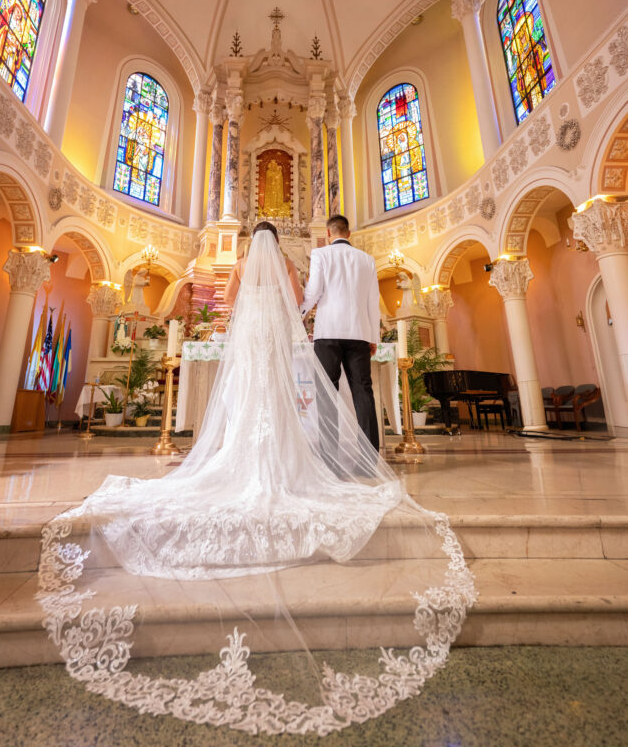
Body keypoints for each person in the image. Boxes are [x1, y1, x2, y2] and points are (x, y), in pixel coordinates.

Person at [35, 225, 475, 736]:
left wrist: (273, 304)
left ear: (250, 243)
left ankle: (253, 457)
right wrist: (298, 311)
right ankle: (348, 457)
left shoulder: (243, 264)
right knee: (327, 398)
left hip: (257, 334)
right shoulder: (304, 263)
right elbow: (297, 300)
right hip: (306, 331)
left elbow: (230, 299)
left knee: (251, 401)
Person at [301, 213, 381, 452]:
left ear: (328, 233)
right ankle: (369, 456)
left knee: (327, 392)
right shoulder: (367, 260)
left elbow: (313, 291)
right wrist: (373, 338)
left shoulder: (320, 254)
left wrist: (298, 315)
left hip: (328, 334)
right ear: (349, 233)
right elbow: (372, 302)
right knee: (362, 391)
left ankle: (329, 455)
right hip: (359, 333)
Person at [225, 220, 303, 307]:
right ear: (277, 240)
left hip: (249, 319)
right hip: (278, 319)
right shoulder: (287, 264)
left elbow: (228, 298)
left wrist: (247, 310)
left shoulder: (239, 265)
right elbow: (297, 299)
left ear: (254, 241)